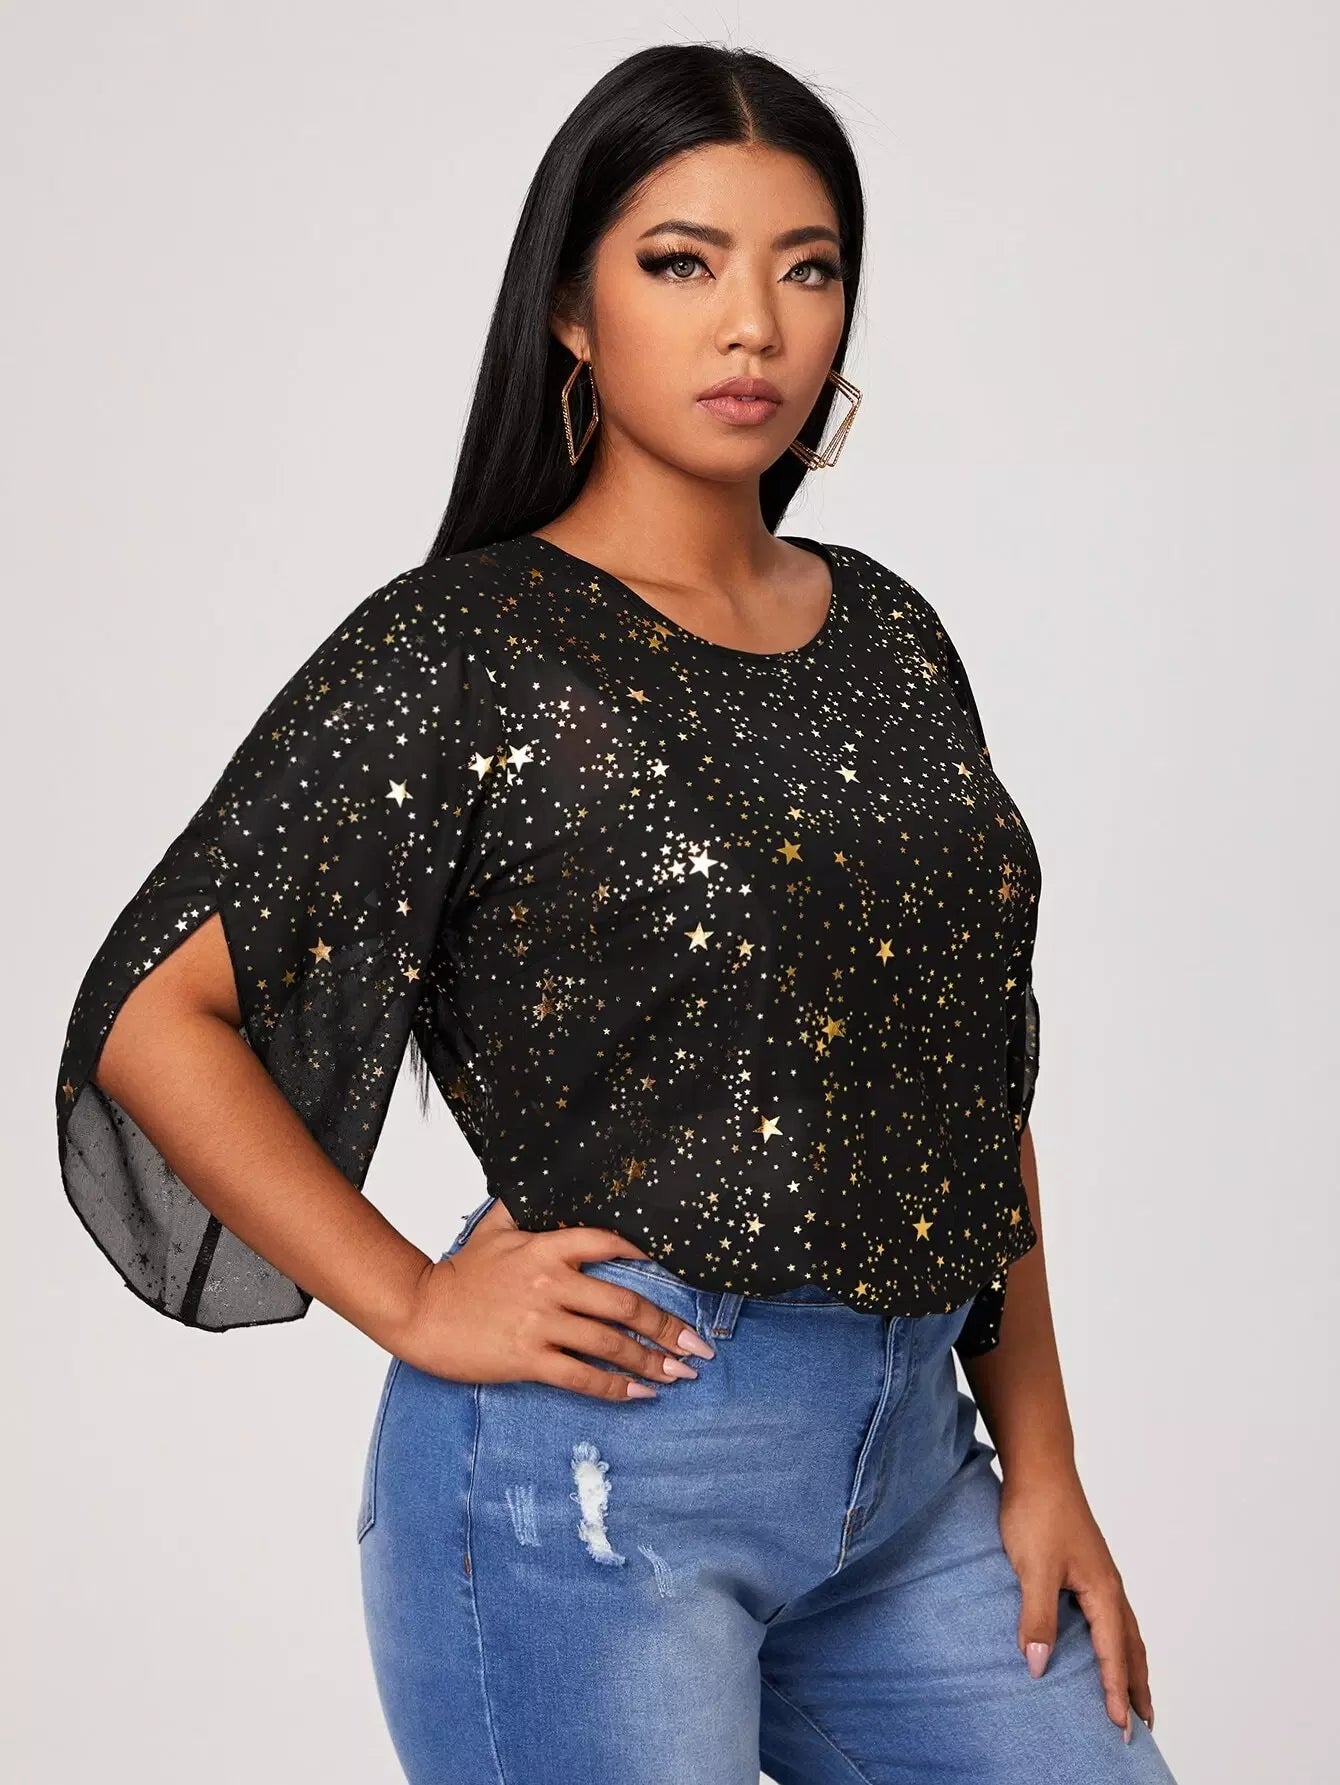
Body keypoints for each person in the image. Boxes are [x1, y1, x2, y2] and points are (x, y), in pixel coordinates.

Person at [54, 41, 1179, 1785]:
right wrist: (417, 1299)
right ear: (572, 310)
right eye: (682, 262)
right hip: (593, 1480)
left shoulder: (890, 636)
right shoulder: (465, 647)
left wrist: (1045, 1458)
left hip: (914, 1472)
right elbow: (150, 1012)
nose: (756, 326)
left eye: (808, 268)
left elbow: (969, 1079)